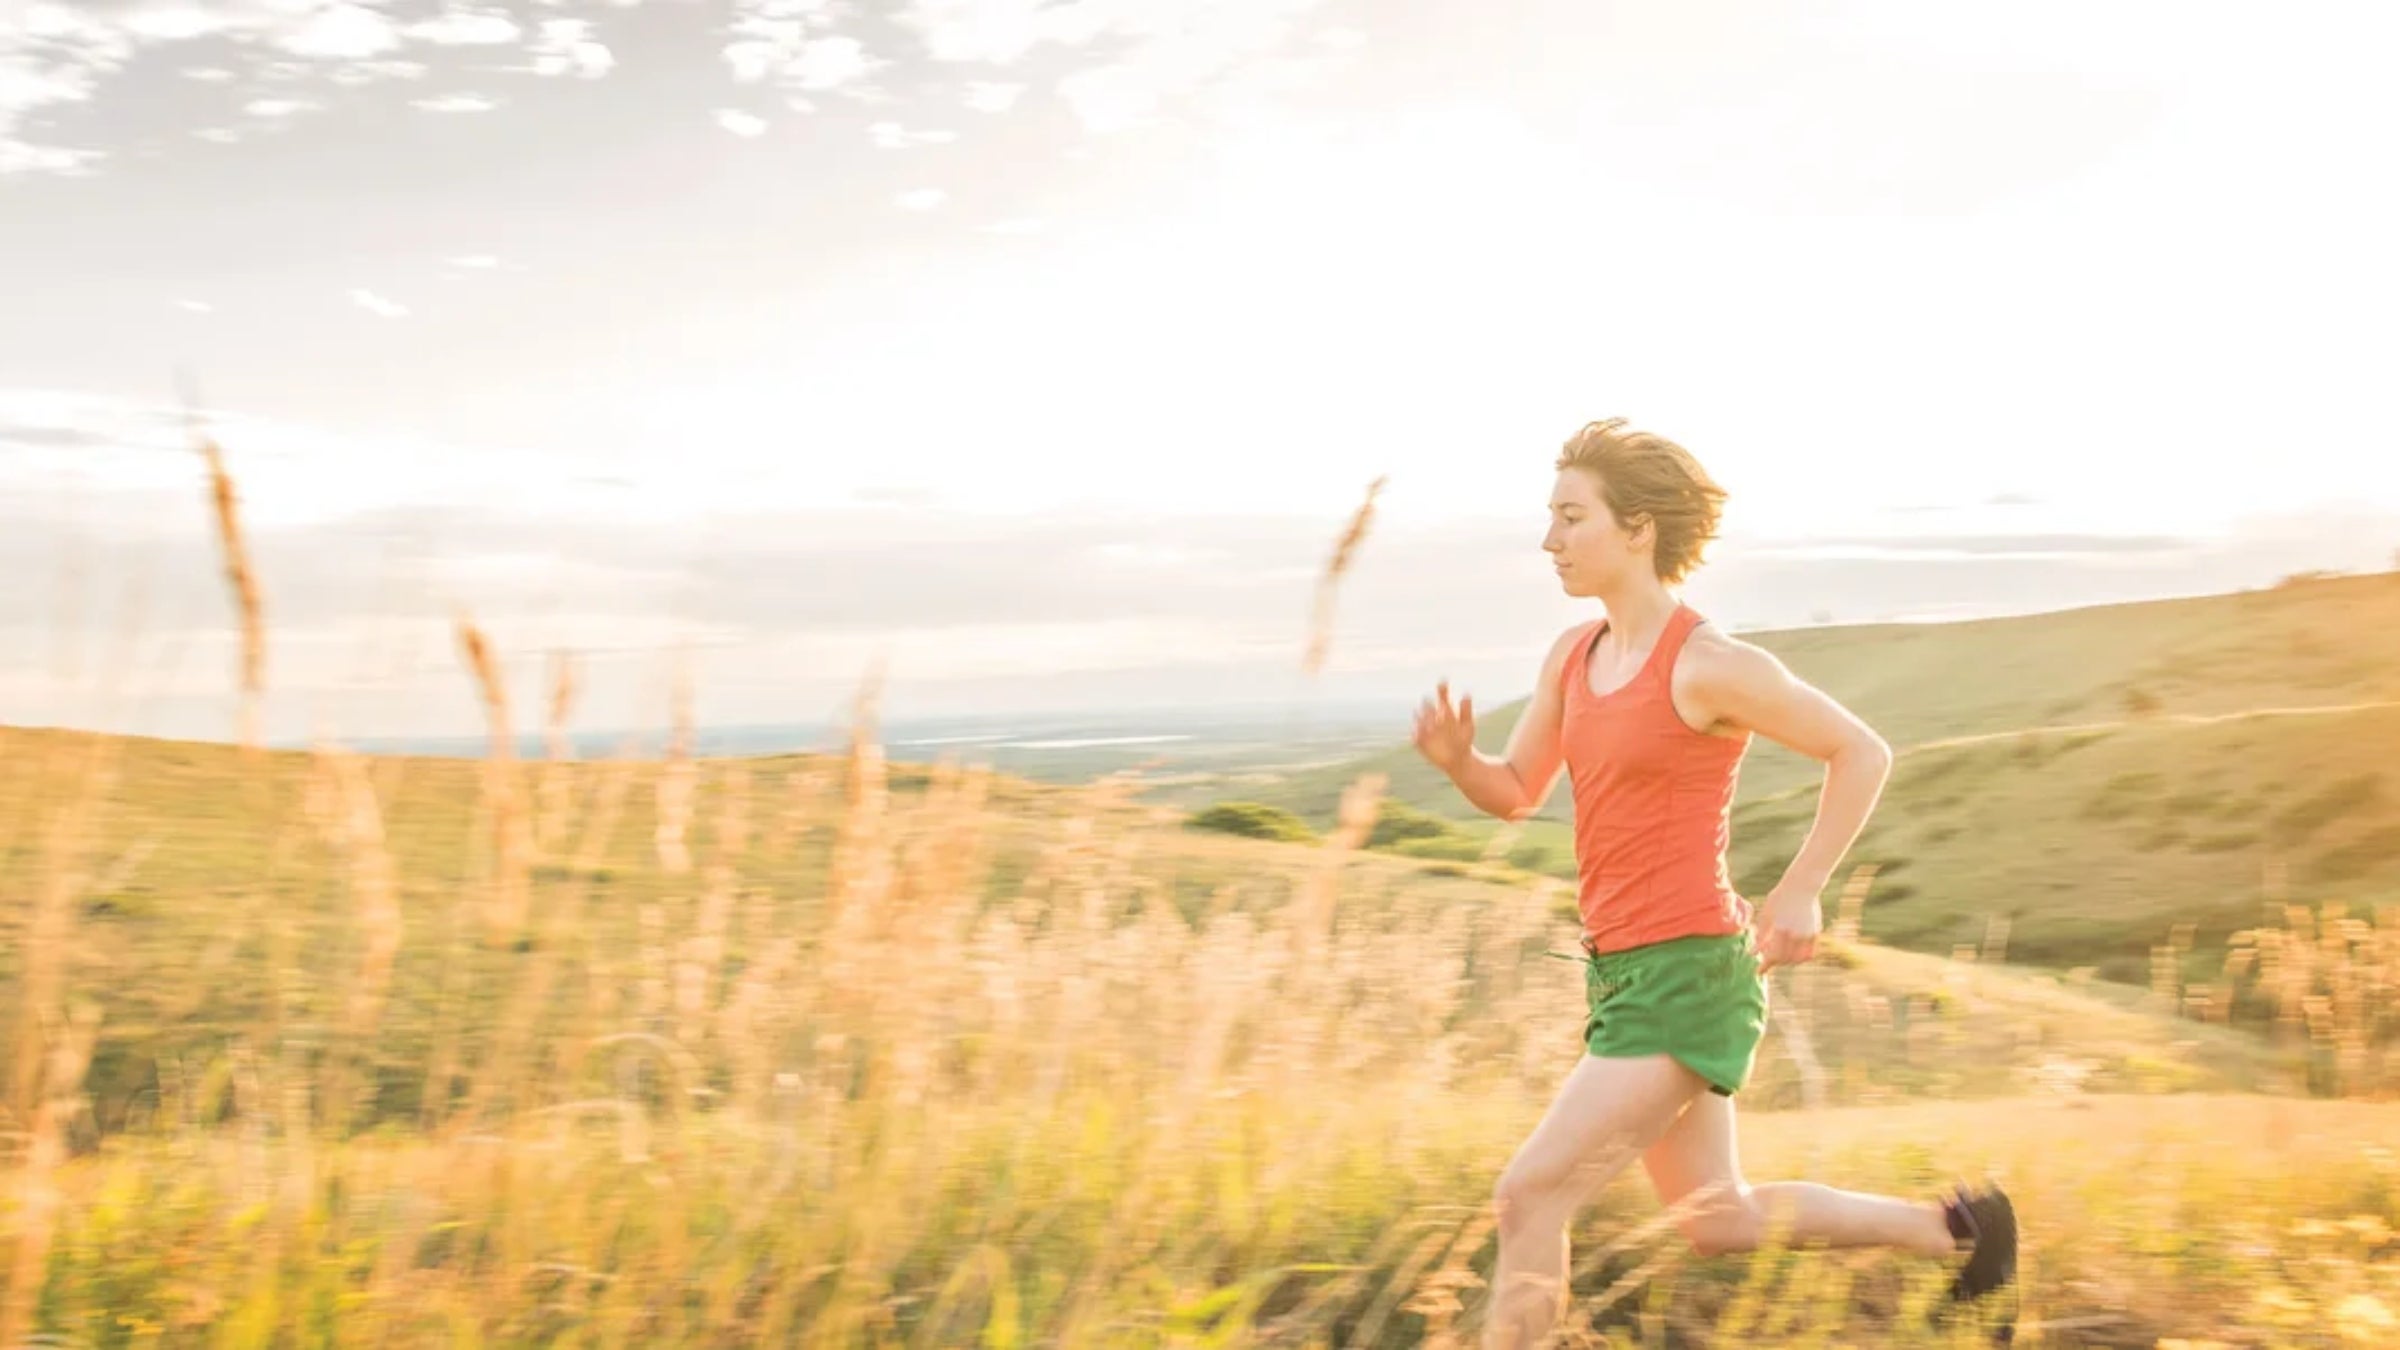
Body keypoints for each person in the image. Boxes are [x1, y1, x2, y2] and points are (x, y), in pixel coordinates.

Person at [1410, 418, 2018, 1347]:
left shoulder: (1709, 663)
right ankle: (1962, 1231)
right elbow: (1515, 791)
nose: (1551, 541)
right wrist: (1461, 762)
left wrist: (1802, 888)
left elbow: (1861, 751)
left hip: (1691, 971)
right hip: (1619, 972)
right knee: (1716, 1219)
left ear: (1639, 528)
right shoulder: (1571, 658)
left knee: (1529, 1197)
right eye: (1552, 519)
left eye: (1573, 518)